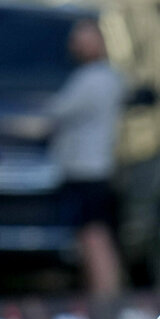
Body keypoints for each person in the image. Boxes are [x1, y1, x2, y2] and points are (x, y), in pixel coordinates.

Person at [47, 19, 125, 298]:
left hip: (88, 172)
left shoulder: (95, 78)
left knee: (94, 236)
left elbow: (54, 114)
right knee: (89, 236)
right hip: (88, 171)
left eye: (83, 38)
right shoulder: (97, 77)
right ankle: (99, 297)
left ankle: (105, 299)